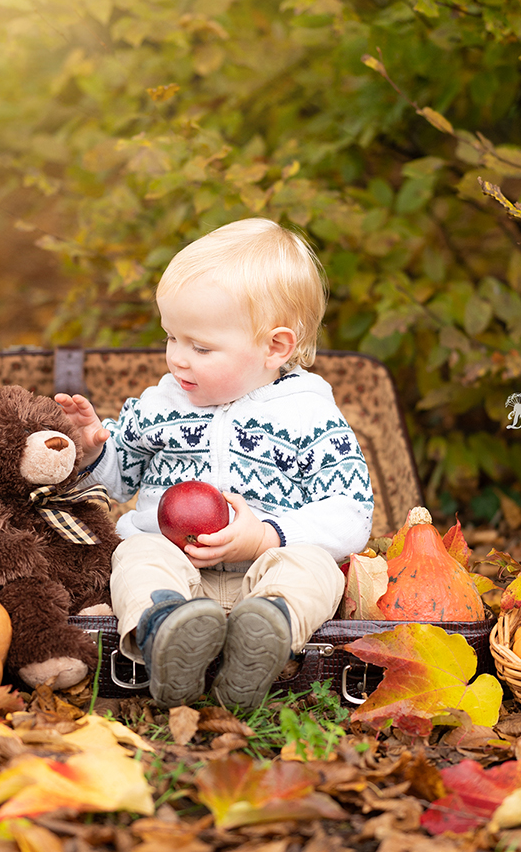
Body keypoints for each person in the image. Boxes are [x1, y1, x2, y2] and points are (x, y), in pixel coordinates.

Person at [56, 218, 374, 711]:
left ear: (275, 347)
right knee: (136, 555)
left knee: (314, 568)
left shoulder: (309, 415)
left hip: (264, 572)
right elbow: (120, 482)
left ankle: (266, 633)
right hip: (176, 566)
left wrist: (267, 536)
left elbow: (351, 511)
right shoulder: (161, 405)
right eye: (171, 338)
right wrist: (95, 449)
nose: (177, 360)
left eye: (200, 347)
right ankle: (166, 633)